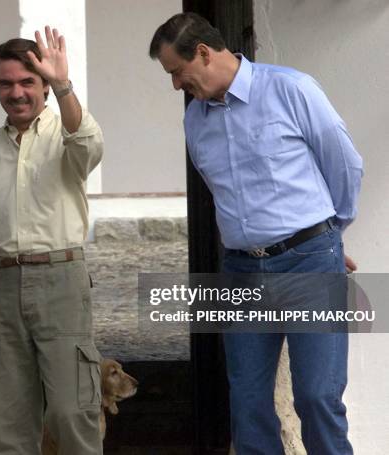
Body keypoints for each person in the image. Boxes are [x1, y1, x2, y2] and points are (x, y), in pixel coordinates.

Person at [149, 12, 362, 455]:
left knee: (317, 397)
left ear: (203, 53)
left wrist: (328, 234)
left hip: (309, 266)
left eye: (176, 72)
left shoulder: (291, 88)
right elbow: (220, 196)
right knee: (246, 404)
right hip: (242, 272)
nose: (174, 85)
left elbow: (344, 163)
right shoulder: (195, 120)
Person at [0, 27, 104, 454]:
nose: (17, 92)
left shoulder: (67, 130)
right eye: (6, 83)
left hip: (60, 282)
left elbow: (89, 147)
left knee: (71, 411)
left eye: (28, 82)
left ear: (43, 84)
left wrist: (65, 86)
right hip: (2, 289)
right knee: (9, 422)